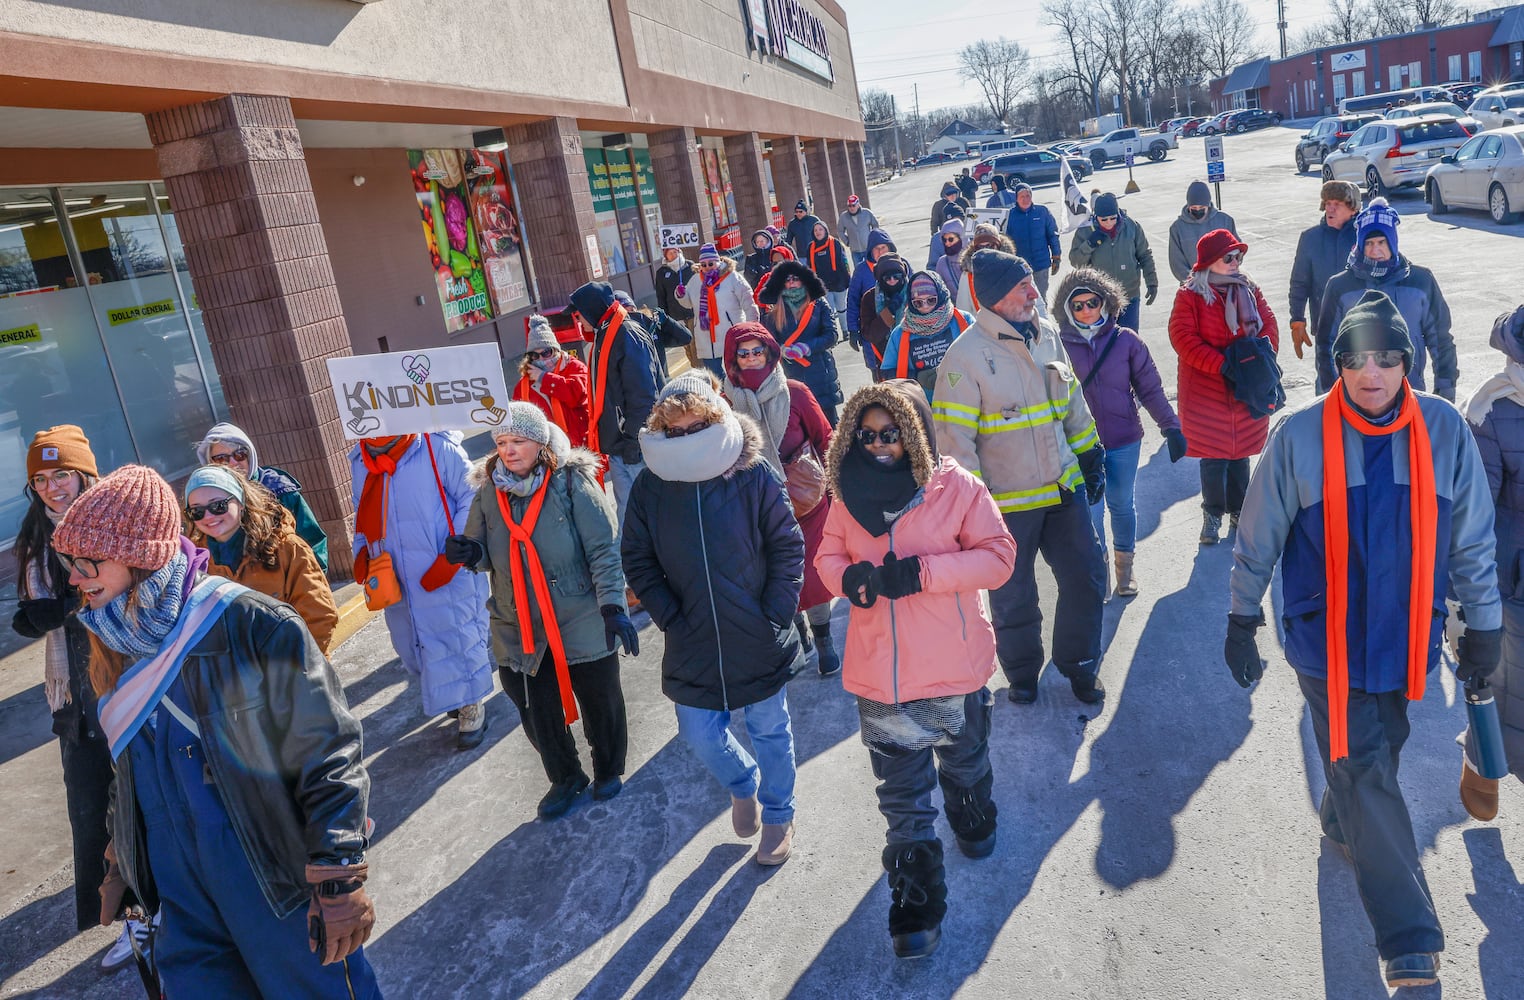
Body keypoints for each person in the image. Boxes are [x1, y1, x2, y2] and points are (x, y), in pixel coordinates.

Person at [1224, 290, 1501, 990]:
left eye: (1385, 356)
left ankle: (1343, 818)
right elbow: (1257, 535)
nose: (1370, 372)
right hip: (1328, 643)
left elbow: (1471, 540)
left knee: (1383, 749)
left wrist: (1485, 626)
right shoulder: (1298, 435)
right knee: (1366, 766)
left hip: (1408, 635)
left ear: (1405, 360)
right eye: (1354, 357)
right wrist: (1241, 616)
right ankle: (1408, 935)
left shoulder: (1442, 428)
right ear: (1337, 364)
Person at [54, 464, 381, 998]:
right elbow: (130, 770)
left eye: (87, 561)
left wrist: (339, 876)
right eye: (70, 562)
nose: (74, 577)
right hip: (182, 905)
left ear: (141, 558)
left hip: (276, 886)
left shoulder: (253, 623)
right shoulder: (113, 639)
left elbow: (328, 753)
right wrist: (123, 857)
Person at [815, 380, 1017, 959]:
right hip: (882, 676)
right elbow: (828, 555)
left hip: (953, 668)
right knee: (901, 801)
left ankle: (970, 805)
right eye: (868, 434)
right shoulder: (844, 493)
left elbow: (999, 558)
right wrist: (846, 579)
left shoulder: (957, 489)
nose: (880, 445)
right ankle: (916, 901)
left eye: (893, 434)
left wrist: (925, 573)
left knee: (965, 759)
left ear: (918, 434)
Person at [621, 375, 806, 867]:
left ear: (716, 418)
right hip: (692, 636)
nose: (687, 435)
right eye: (675, 430)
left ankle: (778, 815)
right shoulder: (650, 486)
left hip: (758, 631)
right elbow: (637, 558)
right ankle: (741, 785)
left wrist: (775, 611)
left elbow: (787, 543)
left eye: (696, 425)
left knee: (770, 729)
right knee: (699, 733)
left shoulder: (753, 472)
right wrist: (670, 617)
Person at [933, 249, 1107, 705]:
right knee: (1014, 596)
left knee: (1087, 577)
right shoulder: (964, 358)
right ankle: (1023, 674)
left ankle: (1081, 665)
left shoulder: (1047, 332)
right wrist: (972, 510)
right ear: (993, 298)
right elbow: (954, 445)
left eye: (1031, 282)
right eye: (1022, 286)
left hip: (1062, 487)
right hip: (1006, 504)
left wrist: (1090, 451)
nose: (1035, 292)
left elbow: (1070, 403)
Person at [448, 404, 636, 819]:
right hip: (517, 620)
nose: (509, 451)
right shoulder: (488, 494)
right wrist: (468, 552)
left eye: (518, 441)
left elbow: (604, 550)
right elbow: (483, 553)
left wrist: (612, 607)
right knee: (534, 706)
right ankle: (565, 776)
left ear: (540, 442)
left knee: (599, 698)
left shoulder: (571, 483)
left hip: (578, 610)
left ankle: (607, 769)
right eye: (501, 443)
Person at [10, 426, 122, 957]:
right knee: (91, 807)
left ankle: (175, 906)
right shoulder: (34, 539)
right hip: (77, 699)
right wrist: (35, 619)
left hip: (129, 676)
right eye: (41, 479)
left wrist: (79, 602)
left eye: (62, 475)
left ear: (84, 473)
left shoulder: (117, 519)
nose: (53, 488)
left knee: (150, 798)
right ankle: (124, 919)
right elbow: (33, 613)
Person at [351, 431, 493, 749]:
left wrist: (458, 548)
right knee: (410, 642)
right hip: (394, 572)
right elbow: (361, 509)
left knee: (455, 633)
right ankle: (452, 694)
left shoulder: (436, 446)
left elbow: (471, 495)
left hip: (444, 562)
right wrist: (361, 549)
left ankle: (471, 704)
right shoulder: (361, 460)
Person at [1055, 269, 1186, 596]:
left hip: (1124, 438)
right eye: (1078, 305)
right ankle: (1099, 575)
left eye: (1093, 302)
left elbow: (1151, 389)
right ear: (1067, 310)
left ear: (1106, 302)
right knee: (1092, 511)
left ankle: (1125, 570)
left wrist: (1170, 426)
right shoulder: (1057, 346)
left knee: (1121, 503)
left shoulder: (1126, 340)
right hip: (1081, 446)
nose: (1086, 310)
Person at [720, 322, 840, 676]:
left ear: (771, 352)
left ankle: (824, 639)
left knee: (813, 575)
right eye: (744, 353)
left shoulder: (796, 392)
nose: (753, 358)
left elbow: (826, 439)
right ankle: (798, 630)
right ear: (733, 359)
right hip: (759, 507)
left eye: (759, 351)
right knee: (776, 575)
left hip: (808, 500)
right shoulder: (724, 406)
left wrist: (836, 492)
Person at [1168, 229, 1280, 545]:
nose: (1235, 262)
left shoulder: (1249, 289)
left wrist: (1258, 359)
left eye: (1238, 257)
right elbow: (1183, 339)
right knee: (1214, 459)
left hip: (1246, 390)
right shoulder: (1189, 295)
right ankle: (1213, 514)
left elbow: (1269, 324)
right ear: (1209, 262)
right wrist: (1222, 365)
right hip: (1208, 394)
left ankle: (1240, 512)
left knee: (1240, 455)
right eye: (1228, 257)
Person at [1459, 303, 1524, 819]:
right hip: (1514, 584)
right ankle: (1482, 769)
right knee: (1506, 693)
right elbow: (1477, 513)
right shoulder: (1492, 411)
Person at [184, 465, 338, 652]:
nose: (208, 516)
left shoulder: (287, 547)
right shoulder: (194, 562)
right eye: (197, 511)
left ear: (240, 502)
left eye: (218, 506)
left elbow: (319, 617)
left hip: (296, 672)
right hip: (236, 679)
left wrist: (290, 672)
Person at [1316, 198, 1457, 400]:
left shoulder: (1420, 281)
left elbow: (1441, 341)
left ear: (1392, 242)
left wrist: (1445, 392)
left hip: (1412, 394)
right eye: (1369, 244)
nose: (1375, 250)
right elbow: (1326, 347)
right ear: (1360, 246)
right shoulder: (1340, 286)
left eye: (1382, 242)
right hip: (1357, 396)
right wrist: (1332, 397)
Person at [568, 280, 667, 529]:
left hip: (634, 445)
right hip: (621, 445)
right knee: (631, 515)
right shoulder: (607, 333)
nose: (578, 322)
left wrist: (634, 438)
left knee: (646, 514)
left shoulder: (626, 334)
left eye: (580, 315)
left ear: (592, 309)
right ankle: (633, 565)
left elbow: (645, 396)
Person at [195, 422, 328, 571]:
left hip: (287, 587)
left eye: (240, 455)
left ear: (250, 455)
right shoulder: (203, 501)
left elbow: (313, 540)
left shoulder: (279, 490)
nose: (233, 463)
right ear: (209, 463)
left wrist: (315, 582)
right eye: (221, 459)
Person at [758, 259, 845, 425]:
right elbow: (768, 343)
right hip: (792, 374)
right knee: (803, 427)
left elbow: (831, 335)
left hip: (820, 373)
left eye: (795, 279)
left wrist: (807, 347)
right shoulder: (775, 311)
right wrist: (780, 350)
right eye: (787, 280)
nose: (792, 283)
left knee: (829, 425)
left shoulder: (818, 303)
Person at [1288, 180, 1361, 368]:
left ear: (1353, 209)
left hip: (1363, 329)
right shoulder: (1310, 238)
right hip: (1325, 329)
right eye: (1328, 204)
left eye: (1337, 204)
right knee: (1326, 388)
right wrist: (1297, 319)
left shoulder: (1365, 237)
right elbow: (1299, 283)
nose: (1331, 209)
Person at [1068, 192, 1158, 333]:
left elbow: (1145, 255)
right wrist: (1089, 244)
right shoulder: (1085, 230)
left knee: (1129, 338)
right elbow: (1076, 262)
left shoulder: (1131, 227)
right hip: (1100, 298)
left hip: (1129, 294)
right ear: (1096, 217)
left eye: (1113, 218)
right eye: (1104, 220)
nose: (1109, 223)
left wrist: (1152, 282)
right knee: (1106, 342)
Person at [881, 271, 970, 401]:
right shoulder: (900, 333)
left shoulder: (962, 320)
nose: (925, 307)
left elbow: (982, 354)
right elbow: (887, 373)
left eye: (931, 300)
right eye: (918, 303)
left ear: (940, 295)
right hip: (922, 407)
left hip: (964, 400)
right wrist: (917, 377)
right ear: (911, 303)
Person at [512, 313, 591, 449]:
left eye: (546, 352)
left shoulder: (574, 367)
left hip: (581, 447)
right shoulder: (524, 385)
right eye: (535, 355)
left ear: (556, 350)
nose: (542, 359)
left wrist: (544, 378)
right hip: (547, 452)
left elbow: (575, 394)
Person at [684, 244, 756, 380]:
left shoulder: (732, 277)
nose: (707, 267)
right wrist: (681, 295)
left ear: (718, 261)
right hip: (706, 338)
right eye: (703, 264)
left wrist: (752, 326)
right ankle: (723, 400)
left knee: (737, 375)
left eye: (710, 263)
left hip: (731, 334)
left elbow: (748, 301)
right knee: (715, 378)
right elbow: (688, 303)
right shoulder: (694, 281)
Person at [1167, 180, 1237, 284]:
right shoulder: (1177, 228)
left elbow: (1236, 250)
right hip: (1194, 285)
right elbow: (1176, 261)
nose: (1197, 210)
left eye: (1201, 208)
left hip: (1225, 281)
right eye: (1194, 208)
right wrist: (1193, 281)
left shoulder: (1225, 221)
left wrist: (1229, 271)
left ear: (1208, 205)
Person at [1002, 182, 1062, 299]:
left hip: (1041, 264)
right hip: (1020, 266)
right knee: (1023, 298)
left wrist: (1056, 257)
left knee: (1040, 296)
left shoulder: (1042, 212)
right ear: (1016, 199)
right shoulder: (1009, 216)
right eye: (1022, 196)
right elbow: (1005, 241)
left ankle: (1042, 316)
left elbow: (1053, 235)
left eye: (1028, 195)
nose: (1025, 199)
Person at [858, 253, 911, 383]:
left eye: (896, 276)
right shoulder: (870, 298)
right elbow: (870, 334)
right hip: (885, 361)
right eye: (887, 278)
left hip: (913, 358)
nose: (892, 280)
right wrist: (888, 313)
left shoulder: (913, 292)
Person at [845, 228, 895, 351]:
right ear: (870, 251)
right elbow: (853, 301)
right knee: (877, 366)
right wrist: (853, 329)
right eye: (876, 249)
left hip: (899, 325)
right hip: (873, 327)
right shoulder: (861, 271)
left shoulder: (900, 264)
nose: (880, 252)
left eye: (883, 247)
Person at [953, 225, 1015, 314]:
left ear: (998, 245)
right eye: (980, 247)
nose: (985, 250)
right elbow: (964, 310)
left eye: (989, 245)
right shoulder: (968, 275)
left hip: (1012, 326)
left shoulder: (1014, 267)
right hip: (981, 326)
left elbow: (1036, 303)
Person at [654, 247, 697, 365]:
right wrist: (664, 317)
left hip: (692, 312)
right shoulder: (661, 273)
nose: (673, 255)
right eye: (670, 253)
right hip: (676, 315)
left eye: (675, 252)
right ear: (665, 256)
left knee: (695, 343)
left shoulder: (690, 266)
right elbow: (661, 296)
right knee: (686, 344)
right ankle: (694, 365)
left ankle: (697, 367)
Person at [808, 220, 853, 315]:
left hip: (838, 282)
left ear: (825, 230)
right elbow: (809, 268)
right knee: (829, 312)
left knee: (842, 308)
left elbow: (843, 262)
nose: (818, 232)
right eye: (815, 230)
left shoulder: (835, 243)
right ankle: (833, 330)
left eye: (820, 229)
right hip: (823, 285)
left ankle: (845, 329)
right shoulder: (810, 248)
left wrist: (847, 280)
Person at [837, 194, 881, 266]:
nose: (851, 208)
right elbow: (840, 231)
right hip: (855, 250)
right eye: (849, 206)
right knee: (858, 270)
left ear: (858, 204)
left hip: (868, 248)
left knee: (872, 268)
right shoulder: (844, 217)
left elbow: (875, 225)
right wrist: (847, 242)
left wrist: (873, 238)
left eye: (853, 205)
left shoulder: (867, 213)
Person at [932, 220, 965, 293]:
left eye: (951, 239)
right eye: (944, 240)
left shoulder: (974, 258)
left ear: (961, 238)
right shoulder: (942, 263)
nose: (947, 243)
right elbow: (940, 291)